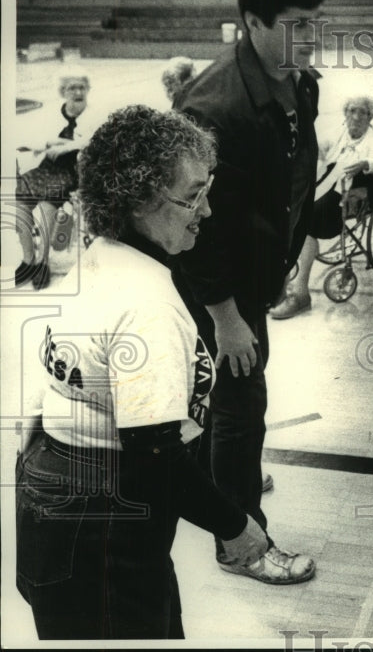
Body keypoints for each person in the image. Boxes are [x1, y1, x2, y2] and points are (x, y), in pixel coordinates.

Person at [15, 105, 269, 640]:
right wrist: (236, 527)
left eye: (208, 189)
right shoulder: (148, 305)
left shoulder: (99, 256)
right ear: (138, 200)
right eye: (192, 195)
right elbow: (155, 455)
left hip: (55, 499)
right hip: (105, 518)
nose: (206, 209)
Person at [172, 0, 325, 585]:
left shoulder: (300, 81)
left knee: (229, 405)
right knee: (241, 403)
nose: (310, 37)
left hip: (254, 273)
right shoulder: (210, 106)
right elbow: (194, 224)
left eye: (316, 21)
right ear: (251, 22)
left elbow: (291, 175)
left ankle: (217, 481)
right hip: (216, 285)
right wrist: (226, 317)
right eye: (296, 23)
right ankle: (242, 543)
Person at [271, 95, 373, 319]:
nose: (356, 117)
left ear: (370, 117)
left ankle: (301, 293)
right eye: (352, 111)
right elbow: (314, 149)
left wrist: (367, 163)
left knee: (306, 221)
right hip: (332, 188)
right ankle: (283, 279)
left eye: (363, 112)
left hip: (357, 194)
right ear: (346, 114)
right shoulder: (339, 133)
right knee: (290, 207)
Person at [13, 69, 92, 289]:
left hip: (74, 171)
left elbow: (91, 140)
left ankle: (42, 262)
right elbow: (39, 139)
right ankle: (27, 260)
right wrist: (55, 143)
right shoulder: (53, 113)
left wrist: (64, 145)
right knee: (19, 203)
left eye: (81, 87)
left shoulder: (93, 114)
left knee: (48, 207)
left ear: (87, 90)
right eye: (72, 87)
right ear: (63, 91)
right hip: (46, 167)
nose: (77, 92)